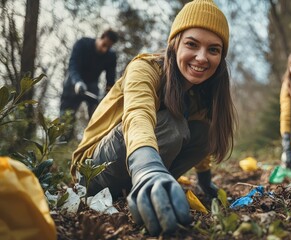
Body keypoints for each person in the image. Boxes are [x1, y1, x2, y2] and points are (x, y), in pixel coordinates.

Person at [70, 0, 235, 236]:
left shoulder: (200, 93)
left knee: (206, 131)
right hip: (93, 171)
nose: (201, 57)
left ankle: (144, 191)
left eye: (213, 49)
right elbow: (138, 115)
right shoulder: (145, 68)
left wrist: (205, 180)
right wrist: (148, 169)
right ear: (175, 43)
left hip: (134, 172)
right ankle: (147, 181)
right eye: (192, 44)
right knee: (172, 125)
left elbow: (202, 140)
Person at [60, 29, 119, 140]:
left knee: (97, 115)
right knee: (66, 117)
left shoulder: (110, 56)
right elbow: (73, 66)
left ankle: (92, 142)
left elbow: (110, 80)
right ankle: (62, 143)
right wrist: (77, 82)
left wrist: (108, 95)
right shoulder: (82, 44)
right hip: (74, 82)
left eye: (109, 47)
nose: (105, 49)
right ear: (101, 37)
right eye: (104, 45)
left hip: (92, 86)